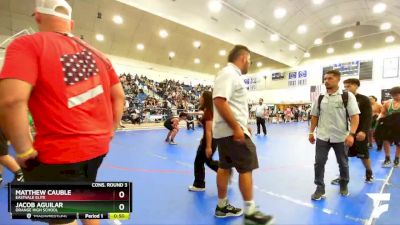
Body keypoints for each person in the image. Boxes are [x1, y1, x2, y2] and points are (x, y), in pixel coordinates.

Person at [0, 1, 125, 225]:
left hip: (59, 152)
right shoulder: (100, 55)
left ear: (37, 16)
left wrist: (24, 151)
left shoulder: (28, 44)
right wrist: (111, 130)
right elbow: (119, 96)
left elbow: (11, 101)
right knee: (86, 199)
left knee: (62, 217)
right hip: (98, 147)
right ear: (71, 23)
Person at [213, 45, 273, 225]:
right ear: (244, 58)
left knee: (225, 167)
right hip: (232, 132)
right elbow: (219, 101)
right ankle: (250, 213)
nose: (250, 64)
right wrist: (237, 128)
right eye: (250, 60)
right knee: (246, 168)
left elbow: (230, 104)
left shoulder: (230, 75)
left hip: (227, 131)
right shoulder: (229, 74)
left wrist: (243, 124)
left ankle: (222, 206)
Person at [309, 70, 360, 200]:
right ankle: (319, 188)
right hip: (322, 136)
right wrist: (311, 132)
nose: (326, 81)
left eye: (330, 78)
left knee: (343, 163)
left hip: (341, 137)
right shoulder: (320, 97)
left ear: (338, 80)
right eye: (325, 78)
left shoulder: (347, 96)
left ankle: (344, 184)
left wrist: (351, 134)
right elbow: (315, 116)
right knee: (319, 163)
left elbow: (354, 116)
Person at [331, 79, 373, 184]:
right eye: (345, 86)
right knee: (342, 155)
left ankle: (369, 172)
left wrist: (363, 131)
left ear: (356, 86)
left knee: (363, 155)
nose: (346, 89)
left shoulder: (364, 99)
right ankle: (342, 176)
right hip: (344, 132)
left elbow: (368, 117)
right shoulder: (342, 98)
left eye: (349, 86)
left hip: (359, 133)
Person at [188, 91, 219, 191]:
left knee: (199, 162)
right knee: (207, 161)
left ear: (205, 98)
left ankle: (199, 185)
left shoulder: (209, 112)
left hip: (209, 140)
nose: (199, 98)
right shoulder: (207, 110)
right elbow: (204, 122)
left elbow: (209, 131)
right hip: (208, 139)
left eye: (201, 96)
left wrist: (208, 146)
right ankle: (224, 171)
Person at [379, 86, 400, 167]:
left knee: (398, 143)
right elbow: (383, 113)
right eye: (393, 95)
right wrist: (379, 119)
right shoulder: (387, 103)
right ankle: (387, 158)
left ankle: (397, 159)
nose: (394, 97)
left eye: (396, 95)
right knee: (386, 141)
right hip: (389, 125)